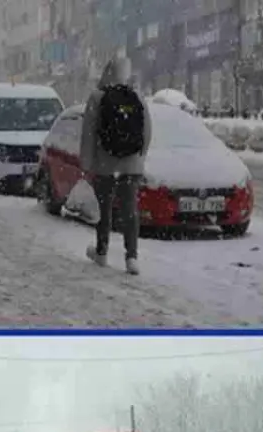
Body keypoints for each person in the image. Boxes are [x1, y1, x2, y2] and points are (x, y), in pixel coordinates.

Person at [79, 55, 152, 275]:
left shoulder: (97, 97)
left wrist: (86, 164)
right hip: (131, 165)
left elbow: (89, 134)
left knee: (104, 208)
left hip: (105, 164)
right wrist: (139, 158)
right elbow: (147, 132)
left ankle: (102, 251)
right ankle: (132, 257)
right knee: (130, 210)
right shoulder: (137, 97)